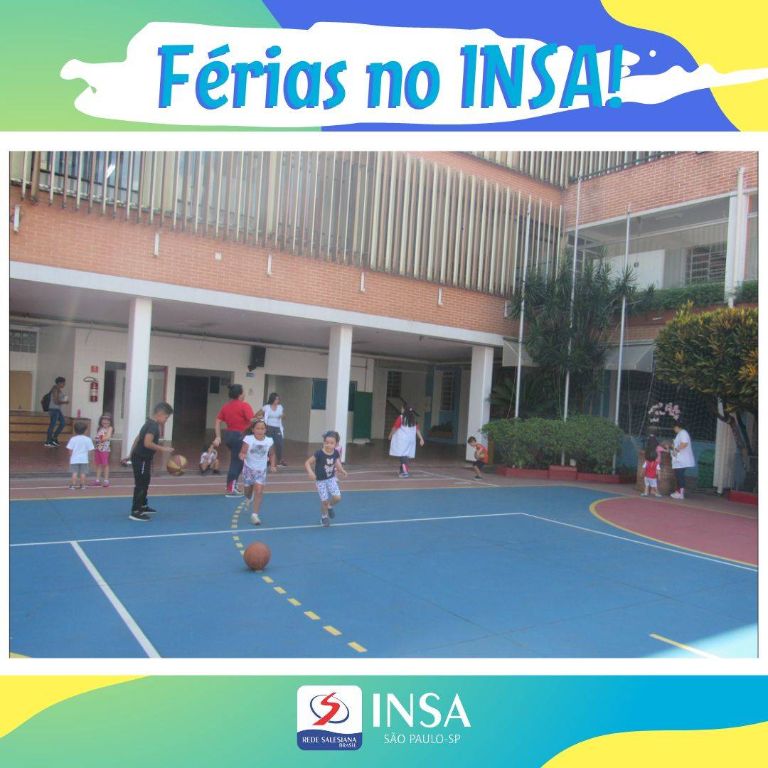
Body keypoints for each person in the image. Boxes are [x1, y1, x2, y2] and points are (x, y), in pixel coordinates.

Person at [128, 402, 175, 522]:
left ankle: (143, 505)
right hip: (141, 458)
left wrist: (130, 454)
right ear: (160, 414)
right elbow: (147, 443)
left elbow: (138, 438)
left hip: (143, 458)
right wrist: (163, 449)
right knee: (141, 483)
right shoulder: (153, 426)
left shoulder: (148, 423)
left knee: (146, 480)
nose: (166, 420)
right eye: (166, 417)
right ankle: (136, 511)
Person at [213, 384, 255, 497]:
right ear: (240, 394)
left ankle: (233, 484)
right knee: (236, 461)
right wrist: (259, 418)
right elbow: (252, 421)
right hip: (240, 436)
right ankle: (230, 488)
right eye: (243, 392)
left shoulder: (226, 406)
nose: (245, 394)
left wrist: (218, 436)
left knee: (239, 460)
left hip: (229, 435)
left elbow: (217, 421)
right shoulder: (244, 405)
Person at [305, 430, 348, 527]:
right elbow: (307, 463)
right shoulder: (319, 453)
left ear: (336, 444)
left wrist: (341, 470)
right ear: (324, 442)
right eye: (326, 442)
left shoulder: (335, 452)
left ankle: (330, 505)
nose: (328, 445)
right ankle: (324, 517)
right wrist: (310, 472)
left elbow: (336, 462)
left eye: (331, 443)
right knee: (324, 501)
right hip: (320, 481)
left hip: (331, 479)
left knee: (337, 498)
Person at [238, 418, 276, 526]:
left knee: (259, 491)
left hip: (261, 470)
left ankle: (255, 515)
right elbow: (243, 451)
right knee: (248, 491)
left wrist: (273, 465)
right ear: (253, 429)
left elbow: (272, 454)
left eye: (262, 428)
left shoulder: (269, 441)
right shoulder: (248, 439)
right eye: (258, 428)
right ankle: (248, 497)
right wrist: (242, 455)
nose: (260, 431)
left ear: (265, 430)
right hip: (248, 469)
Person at [388, 405, 425, 478]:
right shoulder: (413, 419)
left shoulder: (401, 417)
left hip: (402, 440)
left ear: (405, 410)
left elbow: (395, 427)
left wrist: (390, 435)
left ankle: (405, 472)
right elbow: (417, 429)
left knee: (403, 455)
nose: (401, 409)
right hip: (411, 440)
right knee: (405, 455)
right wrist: (421, 438)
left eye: (402, 408)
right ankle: (402, 470)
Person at [669, 422, 696, 499]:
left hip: (682, 459)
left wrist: (676, 450)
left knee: (680, 475)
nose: (674, 429)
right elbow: (678, 444)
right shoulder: (680, 434)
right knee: (678, 475)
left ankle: (681, 493)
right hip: (679, 459)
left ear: (677, 427)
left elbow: (684, 444)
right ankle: (678, 491)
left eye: (674, 428)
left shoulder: (683, 433)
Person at [66, 421, 94, 490]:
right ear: (85, 431)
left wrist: (71, 456)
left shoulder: (73, 439)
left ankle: (73, 485)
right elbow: (90, 450)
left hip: (74, 459)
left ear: (75, 430)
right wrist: (89, 457)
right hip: (84, 459)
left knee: (74, 472)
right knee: (83, 473)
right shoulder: (88, 439)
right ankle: (82, 485)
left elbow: (70, 449)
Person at [262, 393, 287, 466]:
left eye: (278, 399)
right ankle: (267, 459)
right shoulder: (266, 407)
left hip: (277, 427)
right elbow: (260, 414)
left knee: (279, 443)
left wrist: (282, 416)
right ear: (272, 399)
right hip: (268, 427)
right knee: (268, 444)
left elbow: (284, 416)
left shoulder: (280, 407)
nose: (277, 400)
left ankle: (280, 460)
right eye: (276, 399)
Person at [44, 376, 69, 447]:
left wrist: (64, 399)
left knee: (63, 423)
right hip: (53, 409)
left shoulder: (59, 389)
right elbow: (56, 401)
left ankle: (54, 438)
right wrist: (64, 402)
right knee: (52, 425)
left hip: (57, 409)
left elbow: (58, 399)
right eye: (63, 383)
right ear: (59, 383)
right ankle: (48, 441)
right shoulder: (55, 389)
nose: (64, 385)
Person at [91, 412, 114, 487]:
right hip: (98, 448)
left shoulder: (110, 428)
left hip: (105, 450)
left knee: (105, 464)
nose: (105, 421)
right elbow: (98, 437)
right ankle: (97, 480)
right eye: (104, 419)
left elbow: (108, 436)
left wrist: (100, 438)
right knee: (98, 464)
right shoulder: (100, 428)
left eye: (107, 420)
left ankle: (106, 480)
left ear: (110, 421)